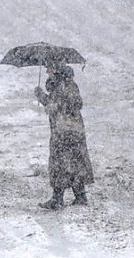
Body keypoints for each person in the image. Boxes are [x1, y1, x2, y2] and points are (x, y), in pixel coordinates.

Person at [34, 61, 94, 210]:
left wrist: (42, 96)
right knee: (75, 161)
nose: (47, 71)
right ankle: (80, 196)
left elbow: (56, 106)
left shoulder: (60, 86)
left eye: (49, 67)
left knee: (58, 163)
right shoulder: (70, 84)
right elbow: (74, 104)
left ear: (55, 69)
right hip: (76, 130)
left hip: (62, 131)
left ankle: (57, 198)